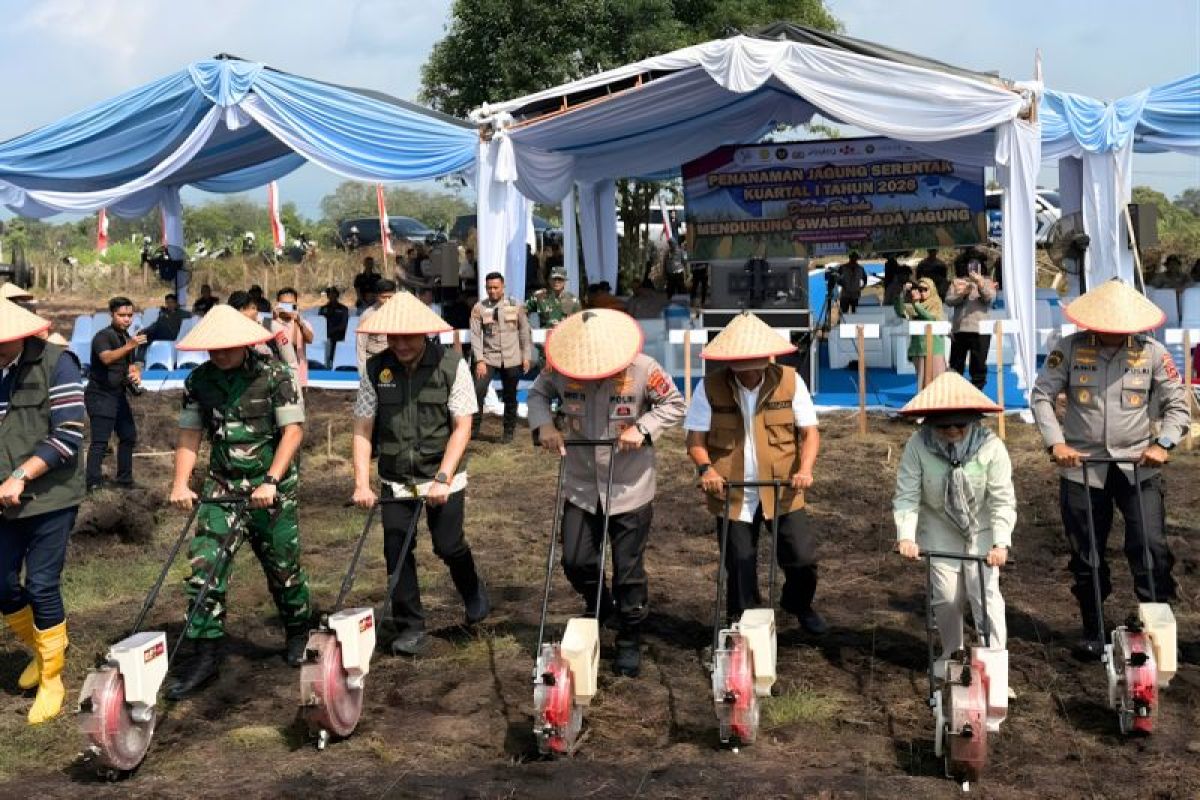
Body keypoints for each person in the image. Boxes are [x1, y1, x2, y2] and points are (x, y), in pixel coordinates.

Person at [1031, 279, 1189, 659]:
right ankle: (1094, 628)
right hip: (1082, 466)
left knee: (1150, 545)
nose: (1114, 332)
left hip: (1138, 464)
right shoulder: (1068, 349)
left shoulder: (1152, 353)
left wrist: (1163, 443)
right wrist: (1057, 443)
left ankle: (1157, 629)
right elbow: (1041, 396)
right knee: (1087, 552)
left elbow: (1178, 406)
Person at [164, 305, 314, 698]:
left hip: (271, 488)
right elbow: (190, 435)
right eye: (212, 348)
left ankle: (299, 630)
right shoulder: (199, 381)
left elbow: (293, 432)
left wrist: (271, 481)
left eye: (226, 347)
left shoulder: (276, 376)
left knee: (283, 569)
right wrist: (181, 483)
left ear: (245, 343)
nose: (218, 354)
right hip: (222, 489)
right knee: (204, 568)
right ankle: (206, 653)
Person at [527, 309, 686, 676]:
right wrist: (545, 426)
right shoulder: (561, 368)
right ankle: (600, 603)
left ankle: (629, 637)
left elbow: (673, 404)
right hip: (582, 484)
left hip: (630, 485)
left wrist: (642, 429)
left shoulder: (643, 368)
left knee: (628, 570)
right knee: (576, 560)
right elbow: (537, 395)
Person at [350, 292, 489, 655]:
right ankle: (410, 625)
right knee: (396, 551)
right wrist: (362, 483)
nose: (400, 345)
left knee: (448, 544)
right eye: (393, 338)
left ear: (424, 334)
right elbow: (363, 428)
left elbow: (462, 427)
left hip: (442, 474)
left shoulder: (451, 365)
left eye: (408, 337)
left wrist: (443, 476)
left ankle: (472, 588)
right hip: (396, 478)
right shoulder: (376, 369)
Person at [684, 312, 826, 634]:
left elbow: (810, 432)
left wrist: (805, 469)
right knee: (739, 562)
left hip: (783, 485)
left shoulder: (790, 381)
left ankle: (798, 604)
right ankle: (744, 623)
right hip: (731, 489)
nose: (749, 376)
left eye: (755, 369)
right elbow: (695, 438)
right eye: (742, 370)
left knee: (801, 558)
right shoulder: (709, 386)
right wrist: (706, 469)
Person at [893, 372, 1015, 678]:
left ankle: (995, 669)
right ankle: (952, 653)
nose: (952, 431)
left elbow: (1002, 499)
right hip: (939, 528)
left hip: (983, 531)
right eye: (944, 425)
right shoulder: (917, 446)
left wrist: (1001, 542)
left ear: (973, 421)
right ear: (931, 423)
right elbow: (907, 494)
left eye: (960, 425)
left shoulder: (991, 447)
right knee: (947, 597)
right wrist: (906, 536)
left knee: (984, 595)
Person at [0, 299, 85, 724]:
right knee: (1, 584)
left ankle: (52, 679)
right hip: (3, 498)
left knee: (41, 584)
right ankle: (40, 647)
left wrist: (20, 475)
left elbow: (69, 433)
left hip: (51, 495)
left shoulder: (57, 363)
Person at [84, 297, 144, 491]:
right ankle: (93, 482)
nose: (126, 319)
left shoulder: (127, 338)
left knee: (128, 435)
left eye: (129, 315)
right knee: (100, 441)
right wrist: (130, 346)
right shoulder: (103, 337)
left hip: (118, 395)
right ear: (112, 314)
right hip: (100, 394)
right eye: (122, 315)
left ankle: (125, 479)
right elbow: (107, 358)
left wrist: (135, 374)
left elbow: (131, 366)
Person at [470, 272, 532, 443]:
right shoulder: (479, 308)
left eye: (496, 287)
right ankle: (473, 430)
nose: (492, 291)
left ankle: (509, 431)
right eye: (489, 287)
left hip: (512, 357)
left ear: (503, 287)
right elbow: (475, 335)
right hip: (489, 357)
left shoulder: (516, 305)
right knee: (478, 390)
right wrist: (480, 360)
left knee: (510, 395)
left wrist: (526, 356)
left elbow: (524, 331)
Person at [945, 251, 997, 390]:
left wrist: (980, 284)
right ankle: (956, 393)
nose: (972, 268)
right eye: (970, 265)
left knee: (978, 365)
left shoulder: (987, 281)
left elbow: (990, 298)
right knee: (956, 365)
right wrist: (962, 294)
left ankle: (977, 392)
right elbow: (948, 300)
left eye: (976, 265)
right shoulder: (957, 282)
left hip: (980, 330)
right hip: (959, 329)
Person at [894, 277, 946, 388]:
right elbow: (900, 311)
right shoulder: (914, 305)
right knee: (922, 379)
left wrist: (917, 304)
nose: (921, 292)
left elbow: (930, 318)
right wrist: (903, 293)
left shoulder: (936, 303)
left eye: (925, 289)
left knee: (937, 378)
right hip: (919, 348)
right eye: (919, 289)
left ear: (932, 289)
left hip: (934, 347)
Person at [271, 287, 314, 388]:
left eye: (291, 304)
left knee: (301, 402)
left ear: (296, 304)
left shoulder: (303, 323)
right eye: (284, 304)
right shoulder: (270, 323)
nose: (287, 307)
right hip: (277, 373)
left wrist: (297, 321)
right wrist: (273, 318)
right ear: (277, 305)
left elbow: (309, 339)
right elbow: (264, 339)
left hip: (299, 374)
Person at [357, 278, 397, 372]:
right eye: (383, 297)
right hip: (374, 361)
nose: (387, 301)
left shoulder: (400, 313)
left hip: (396, 361)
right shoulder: (368, 316)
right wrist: (362, 371)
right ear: (377, 296)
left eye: (390, 297)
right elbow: (360, 346)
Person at [318, 287, 350, 369]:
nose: (332, 296)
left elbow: (344, 325)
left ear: (337, 295)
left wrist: (332, 331)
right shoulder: (323, 309)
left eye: (334, 294)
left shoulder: (344, 309)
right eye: (330, 294)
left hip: (340, 337)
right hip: (326, 336)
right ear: (328, 296)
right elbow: (320, 324)